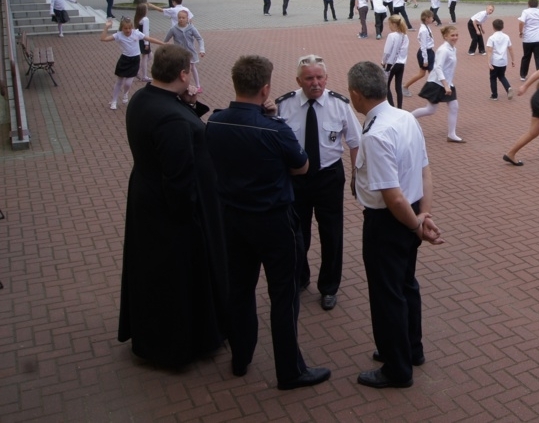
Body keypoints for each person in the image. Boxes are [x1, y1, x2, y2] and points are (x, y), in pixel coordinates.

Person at [206, 55, 330, 391]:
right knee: (284, 295)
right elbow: (302, 166)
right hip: (274, 221)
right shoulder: (275, 129)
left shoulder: (215, 122)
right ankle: (289, 370)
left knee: (240, 290)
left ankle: (241, 357)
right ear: (265, 89)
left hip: (233, 220)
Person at [118, 44, 228, 368]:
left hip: (146, 198)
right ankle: (178, 345)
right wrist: (190, 219)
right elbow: (178, 177)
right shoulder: (171, 119)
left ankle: (152, 335)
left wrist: (188, 104)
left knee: (151, 273)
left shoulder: (143, 99)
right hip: (172, 213)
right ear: (182, 73)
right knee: (176, 278)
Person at [346, 61, 444, 389]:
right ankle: (410, 349)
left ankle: (396, 368)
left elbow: (393, 197)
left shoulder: (376, 134)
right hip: (411, 213)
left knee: (387, 295)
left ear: (356, 94)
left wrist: (416, 225)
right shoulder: (405, 118)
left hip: (389, 222)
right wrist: (424, 215)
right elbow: (425, 171)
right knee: (405, 285)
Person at [276, 54, 361, 312]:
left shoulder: (339, 105)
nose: (315, 83)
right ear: (298, 81)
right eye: (309, 78)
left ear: (326, 78)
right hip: (296, 179)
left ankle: (329, 287)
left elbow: (355, 142)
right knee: (297, 233)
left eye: (319, 77)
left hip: (329, 177)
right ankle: (300, 277)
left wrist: (356, 177)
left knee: (331, 234)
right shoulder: (284, 105)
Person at [411, 25, 462, 142]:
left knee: (454, 107)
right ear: (445, 36)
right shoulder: (443, 50)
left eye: (456, 35)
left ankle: (451, 134)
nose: (455, 37)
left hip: (447, 83)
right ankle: (407, 118)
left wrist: (448, 84)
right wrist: (446, 85)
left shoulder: (453, 49)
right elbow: (438, 67)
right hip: (437, 83)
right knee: (430, 110)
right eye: (452, 35)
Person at [100, 17, 163, 110]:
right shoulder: (119, 35)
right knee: (119, 81)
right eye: (125, 28)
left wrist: (163, 43)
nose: (128, 30)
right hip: (124, 60)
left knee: (128, 83)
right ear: (122, 28)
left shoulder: (136, 33)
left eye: (129, 28)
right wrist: (106, 27)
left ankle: (125, 93)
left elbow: (149, 38)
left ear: (132, 27)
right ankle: (114, 101)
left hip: (135, 60)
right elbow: (103, 39)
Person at [163, 10, 206, 92]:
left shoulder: (192, 28)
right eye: (179, 18)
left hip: (190, 52)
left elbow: (200, 39)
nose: (181, 19)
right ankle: (180, 85)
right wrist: (166, 48)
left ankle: (198, 86)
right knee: (180, 69)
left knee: (192, 67)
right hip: (179, 53)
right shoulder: (173, 29)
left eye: (183, 18)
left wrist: (202, 49)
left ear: (187, 19)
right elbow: (165, 40)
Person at [402, 9, 435, 98]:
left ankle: (433, 90)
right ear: (427, 18)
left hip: (430, 51)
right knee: (423, 73)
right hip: (426, 53)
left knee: (432, 72)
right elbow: (423, 45)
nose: (433, 19)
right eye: (431, 17)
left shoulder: (426, 27)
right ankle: (405, 86)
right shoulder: (423, 30)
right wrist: (425, 59)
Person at [382, 15, 410, 108]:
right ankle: (400, 107)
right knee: (398, 87)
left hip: (391, 64)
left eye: (389, 24)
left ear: (394, 24)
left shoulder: (391, 36)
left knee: (386, 85)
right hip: (401, 63)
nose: (389, 26)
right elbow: (405, 51)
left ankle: (392, 106)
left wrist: (384, 61)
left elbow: (387, 51)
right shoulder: (405, 36)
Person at [518, 0, 539, 80]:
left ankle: (523, 75)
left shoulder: (525, 12)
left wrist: (520, 32)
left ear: (528, 4)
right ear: (537, 4)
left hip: (528, 39)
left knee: (526, 57)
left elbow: (521, 22)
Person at [486, 19, 514, 100]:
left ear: (493, 27)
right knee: (502, 76)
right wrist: (513, 60)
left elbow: (490, 50)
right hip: (503, 61)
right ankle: (508, 87)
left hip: (495, 61)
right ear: (502, 27)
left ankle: (494, 95)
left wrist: (489, 62)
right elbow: (510, 49)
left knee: (493, 78)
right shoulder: (506, 37)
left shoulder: (492, 38)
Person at [133, 3, 152, 82]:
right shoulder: (145, 19)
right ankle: (144, 76)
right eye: (146, 9)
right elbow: (145, 32)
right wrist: (146, 43)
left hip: (140, 39)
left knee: (150, 56)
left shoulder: (138, 19)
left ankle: (137, 71)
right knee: (146, 57)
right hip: (144, 40)